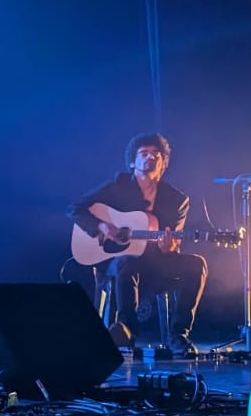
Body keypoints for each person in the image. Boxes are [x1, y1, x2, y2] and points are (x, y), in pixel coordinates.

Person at [68, 133, 207, 357]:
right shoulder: (116, 186)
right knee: (127, 261)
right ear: (133, 161)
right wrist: (103, 227)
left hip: (157, 265)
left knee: (197, 264)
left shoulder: (177, 200)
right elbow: (76, 208)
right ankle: (127, 329)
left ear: (164, 163)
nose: (150, 158)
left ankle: (178, 335)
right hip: (118, 263)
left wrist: (168, 247)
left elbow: (174, 243)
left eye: (156, 154)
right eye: (144, 154)